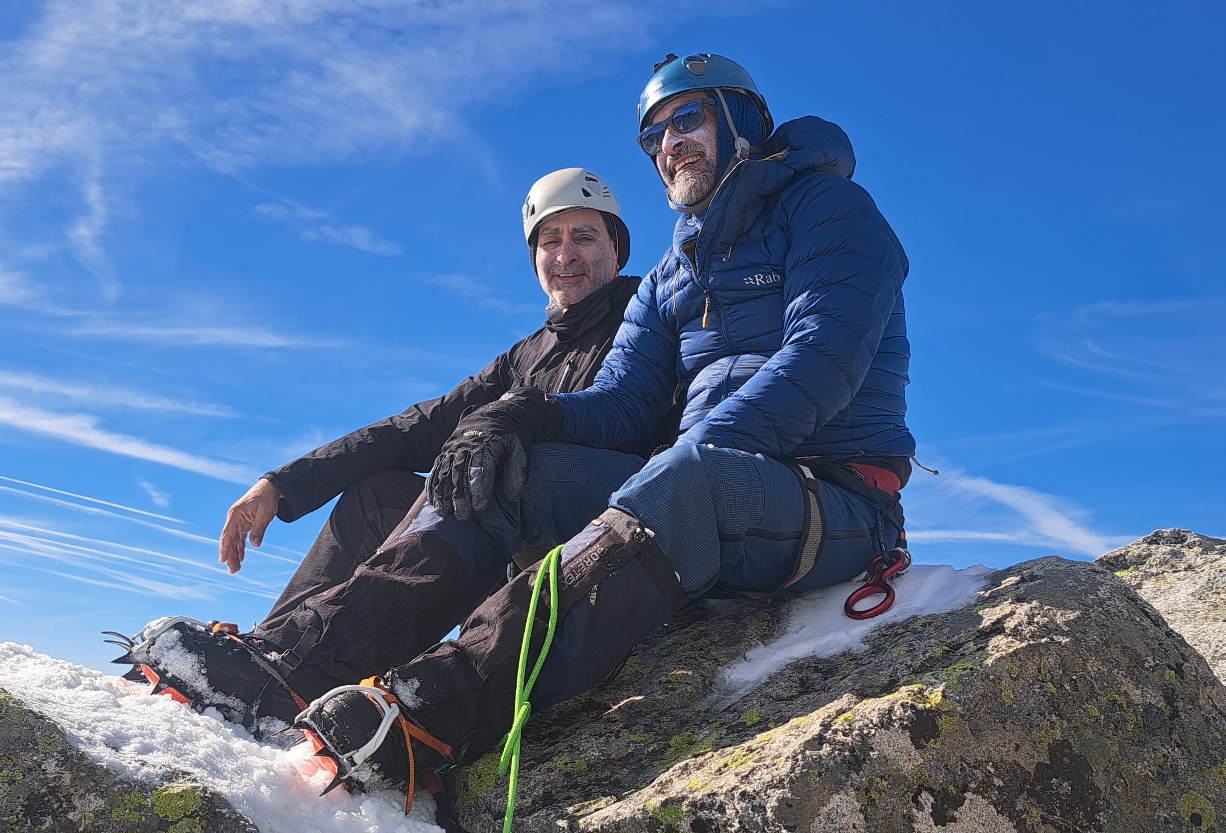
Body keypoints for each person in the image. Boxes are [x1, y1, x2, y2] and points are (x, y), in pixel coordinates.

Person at [122, 52, 914, 814]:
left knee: (684, 476)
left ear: (739, 119)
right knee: (497, 464)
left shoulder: (831, 210)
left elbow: (823, 361)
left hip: (829, 494)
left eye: (688, 121)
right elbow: (624, 403)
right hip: (697, 489)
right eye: (656, 134)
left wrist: (671, 470)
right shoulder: (680, 267)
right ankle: (293, 667)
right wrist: (516, 415)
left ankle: (432, 712)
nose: (670, 144)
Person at [110, 168, 663, 734]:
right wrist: (281, 484)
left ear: (617, 249)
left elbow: (640, 423)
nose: (566, 254)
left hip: (587, 536)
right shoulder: (528, 355)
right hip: (503, 538)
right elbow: (415, 428)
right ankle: (266, 659)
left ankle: (298, 672)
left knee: (482, 480)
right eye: (550, 240)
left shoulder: (647, 320)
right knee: (379, 492)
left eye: (585, 236)